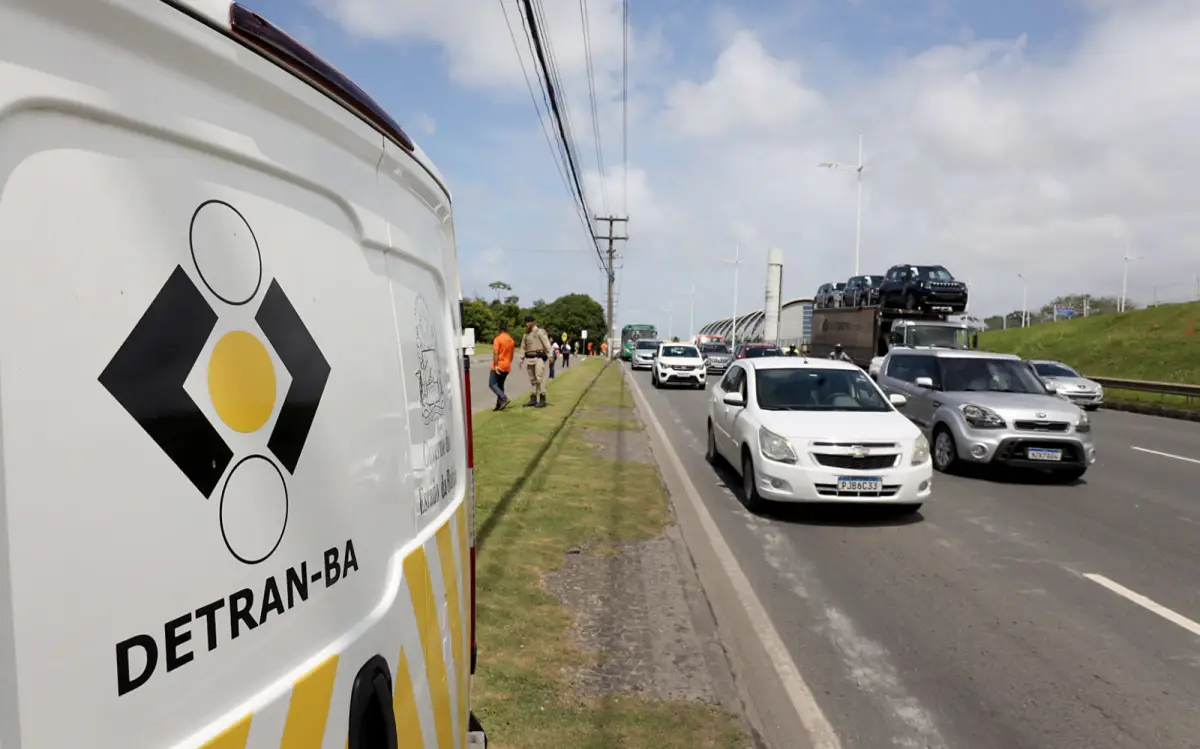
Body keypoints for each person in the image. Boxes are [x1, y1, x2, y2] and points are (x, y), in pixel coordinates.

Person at [520, 314, 553, 407]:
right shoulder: (526, 334)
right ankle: (533, 398)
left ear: (533, 322)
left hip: (538, 358)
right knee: (532, 380)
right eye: (526, 322)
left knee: (540, 378)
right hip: (529, 358)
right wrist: (521, 358)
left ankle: (542, 398)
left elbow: (546, 344)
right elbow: (523, 346)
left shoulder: (539, 332)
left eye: (528, 322)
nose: (527, 324)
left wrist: (550, 355)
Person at [490, 321, 515, 410]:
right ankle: (499, 405)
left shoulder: (498, 339)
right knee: (500, 385)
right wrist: (508, 363)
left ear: (499, 329)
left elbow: (496, 353)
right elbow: (512, 355)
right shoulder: (511, 340)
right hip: (507, 365)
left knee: (492, 384)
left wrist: (496, 365)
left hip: (498, 364)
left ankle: (504, 398)